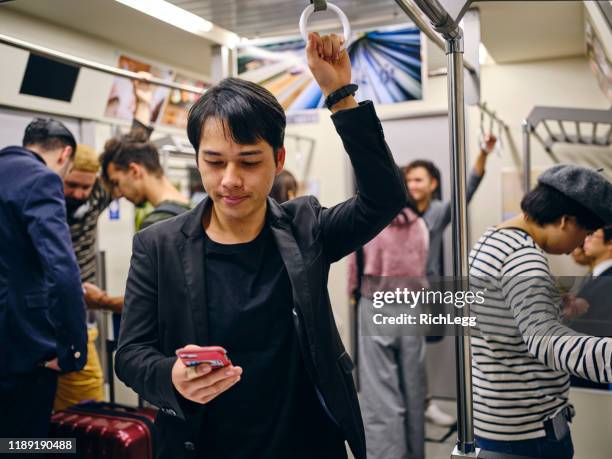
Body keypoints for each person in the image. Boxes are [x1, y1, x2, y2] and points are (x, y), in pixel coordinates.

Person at [114, 32, 407, 459]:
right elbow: (131, 353)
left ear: (279, 160)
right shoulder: (158, 245)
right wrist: (170, 376)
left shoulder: (306, 228)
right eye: (214, 162)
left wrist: (340, 95)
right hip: (205, 443)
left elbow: (384, 197)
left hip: (303, 443)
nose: (230, 179)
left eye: (249, 161)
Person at [469, 165, 612, 459]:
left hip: (495, 417)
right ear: (565, 221)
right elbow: (547, 342)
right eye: (584, 233)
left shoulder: (493, 239)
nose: (581, 244)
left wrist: (552, 305)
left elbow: (500, 315)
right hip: (528, 432)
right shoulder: (524, 259)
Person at [53, 77, 157, 411]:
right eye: (72, 186)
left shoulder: (97, 194)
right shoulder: (43, 200)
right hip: (47, 311)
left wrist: (142, 102)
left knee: (86, 402)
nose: (79, 194)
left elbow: (134, 149)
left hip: (80, 311)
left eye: (86, 187)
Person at [0, 119, 87, 439]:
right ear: (65, 155)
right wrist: (72, 351)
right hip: (21, 348)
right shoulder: (40, 180)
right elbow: (62, 271)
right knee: (26, 443)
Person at [404, 134, 497, 426]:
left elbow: (467, 188)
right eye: (409, 180)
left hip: (422, 292)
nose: (413, 185)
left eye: (419, 180)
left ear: (433, 184)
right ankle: (411, 403)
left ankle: (425, 402)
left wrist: (483, 152)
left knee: (417, 349)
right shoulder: (395, 212)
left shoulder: (439, 212)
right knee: (402, 350)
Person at [349, 206, 429, 459]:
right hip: (412, 307)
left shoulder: (368, 223)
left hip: (375, 305)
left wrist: (353, 294)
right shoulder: (419, 224)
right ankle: (415, 453)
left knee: (380, 393)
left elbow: (354, 270)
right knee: (414, 389)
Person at [99, 132, 190, 231]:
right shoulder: (198, 212)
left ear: (135, 171)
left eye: (116, 182)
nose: (118, 193)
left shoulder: (155, 226)